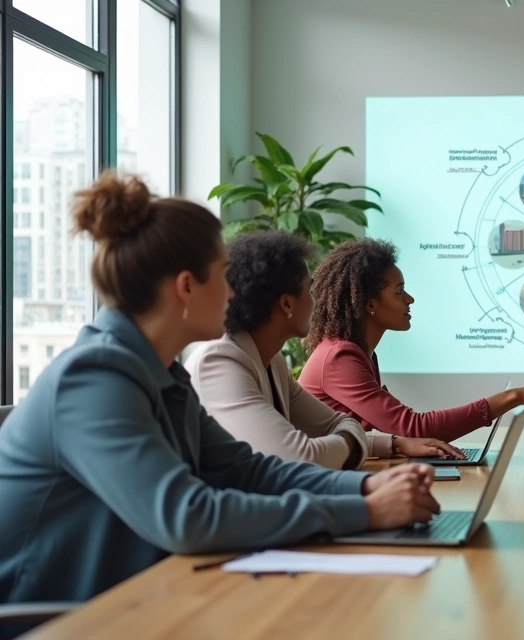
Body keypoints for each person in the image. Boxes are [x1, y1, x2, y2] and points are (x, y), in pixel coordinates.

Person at [0, 174, 439, 630]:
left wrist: (366, 489)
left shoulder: (162, 373)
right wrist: (363, 511)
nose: (236, 293)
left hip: (124, 606)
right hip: (53, 624)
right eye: (225, 275)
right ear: (187, 287)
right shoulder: (92, 380)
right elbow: (187, 517)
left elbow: (248, 471)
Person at [185, 231, 462, 469]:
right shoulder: (221, 361)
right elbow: (301, 456)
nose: (317, 301)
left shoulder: (273, 361)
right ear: (287, 305)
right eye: (310, 290)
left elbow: (336, 424)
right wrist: (350, 441)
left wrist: (391, 444)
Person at [300, 239, 524, 441]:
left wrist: (400, 446)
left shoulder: (361, 353)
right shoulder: (340, 357)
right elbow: (414, 428)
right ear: (369, 303)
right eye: (399, 292)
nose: (410, 299)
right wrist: (514, 397)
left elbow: (390, 431)